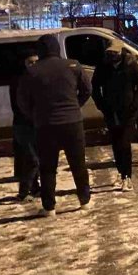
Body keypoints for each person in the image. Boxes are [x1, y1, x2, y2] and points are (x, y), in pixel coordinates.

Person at [17, 35, 91, 216]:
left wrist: (35, 115)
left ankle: (49, 207)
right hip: (73, 122)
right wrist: (75, 105)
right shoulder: (73, 65)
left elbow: (22, 101)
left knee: (48, 167)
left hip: (45, 125)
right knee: (78, 163)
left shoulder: (32, 72)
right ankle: (84, 201)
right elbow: (87, 89)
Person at [91, 41, 138, 190]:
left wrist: (134, 105)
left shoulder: (130, 66)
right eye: (110, 53)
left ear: (120, 52)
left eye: (114, 53)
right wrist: (101, 105)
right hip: (110, 110)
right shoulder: (103, 66)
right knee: (115, 143)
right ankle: (121, 172)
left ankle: (127, 176)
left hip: (128, 111)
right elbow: (95, 87)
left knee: (125, 143)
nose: (112, 55)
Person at [9, 48, 41, 199]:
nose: (33, 65)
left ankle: (34, 188)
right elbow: (18, 106)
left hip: (35, 124)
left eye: (36, 61)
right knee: (32, 159)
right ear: (24, 63)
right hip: (24, 125)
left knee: (33, 158)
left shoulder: (36, 77)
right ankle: (24, 192)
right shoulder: (19, 80)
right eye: (30, 62)